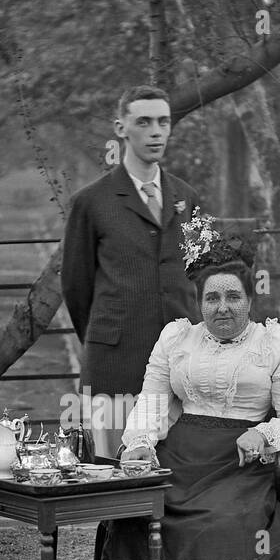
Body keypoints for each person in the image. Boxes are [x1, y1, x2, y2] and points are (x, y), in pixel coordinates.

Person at [92, 226, 280, 560]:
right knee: (130, 515)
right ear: (199, 303)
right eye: (212, 299)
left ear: (251, 299)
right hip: (182, 457)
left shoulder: (276, 344)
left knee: (223, 525)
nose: (223, 308)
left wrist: (265, 434)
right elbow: (151, 402)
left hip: (244, 465)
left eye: (233, 296)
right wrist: (138, 445)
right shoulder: (177, 339)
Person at [61, 84, 203, 458]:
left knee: (176, 477)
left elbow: (201, 275)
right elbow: (76, 289)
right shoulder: (91, 202)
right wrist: (107, 335)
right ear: (121, 128)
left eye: (163, 121)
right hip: (115, 368)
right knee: (112, 481)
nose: (155, 131)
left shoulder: (187, 197)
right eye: (143, 122)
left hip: (180, 369)